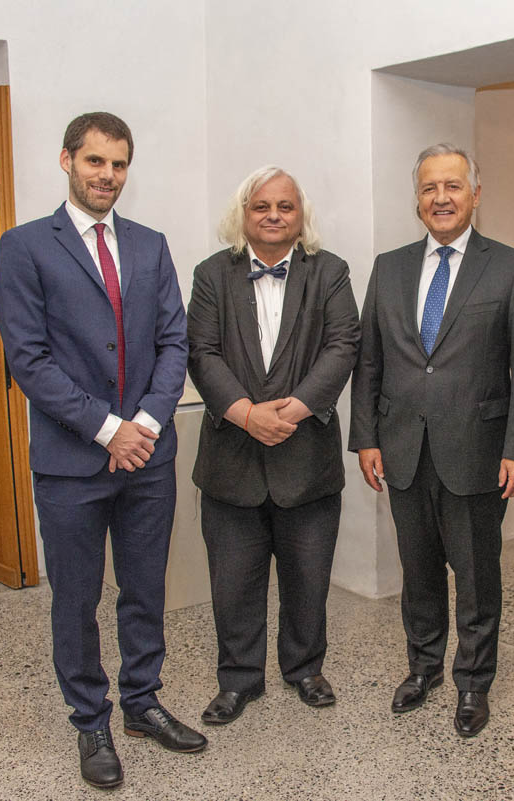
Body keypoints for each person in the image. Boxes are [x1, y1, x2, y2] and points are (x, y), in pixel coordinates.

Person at [0, 112, 202, 789]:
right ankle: (91, 718)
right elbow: (29, 359)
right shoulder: (26, 247)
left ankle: (142, 702)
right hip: (70, 464)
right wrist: (109, 429)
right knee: (76, 599)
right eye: (95, 162)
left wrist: (143, 421)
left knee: (144, 589)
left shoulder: (150, 243)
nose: (108, 176)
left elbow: (175, 341)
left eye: (118, 164)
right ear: (66, 161)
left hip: (149, 459)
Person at [350, 143, 514, 738]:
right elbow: (370, 360)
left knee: (477, 575)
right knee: (420, 568)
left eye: (453, 186)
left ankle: (473, 682)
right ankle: (424, 667)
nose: (441, 197)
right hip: (403, 448)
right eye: (430, 187)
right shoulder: (391, 266)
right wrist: (366, 438)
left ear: (475, 195)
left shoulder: (509, 267)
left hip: (478, 451)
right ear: (417, 198)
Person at [187, 166, 360, 726]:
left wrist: (295, 408)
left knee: (308, 579)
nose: (274, 215)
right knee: (233, 583)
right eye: (262, 205)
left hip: (305, 458)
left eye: (285, 206)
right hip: (231, 462)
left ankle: (305, 669)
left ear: (300, 214)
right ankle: (238, 680)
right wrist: (243, 413)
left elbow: (343, 345)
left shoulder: (330, 272)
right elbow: (202, 352)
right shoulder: (212, 275)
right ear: (244, 213)